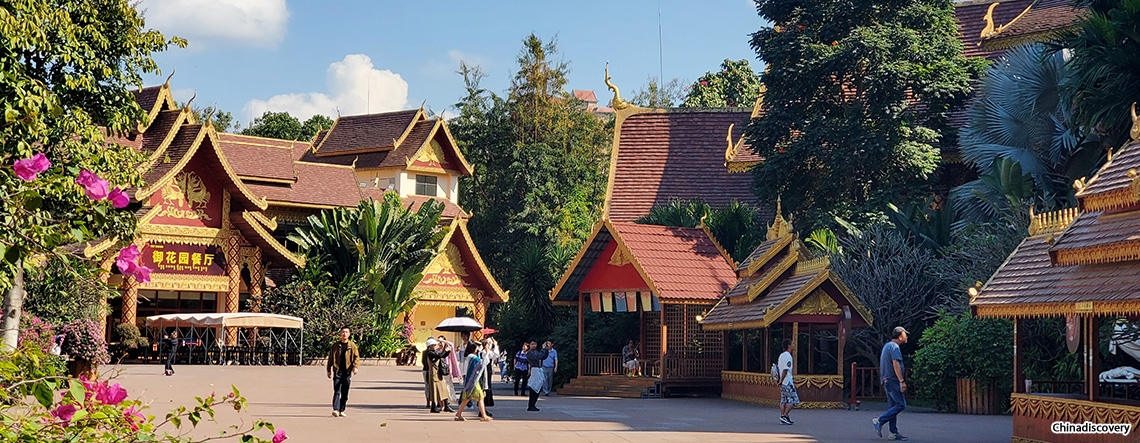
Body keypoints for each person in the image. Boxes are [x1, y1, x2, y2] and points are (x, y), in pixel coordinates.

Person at [874, 326, 909, 441]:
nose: (906, 336)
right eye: (905, 334)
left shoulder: (887, 346)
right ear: (900, 336)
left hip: (886, 380)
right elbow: (896, 364)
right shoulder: (894, 347)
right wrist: (901, 381)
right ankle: (880, 420)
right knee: (901, 404)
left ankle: (893, 433)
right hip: (892, 380)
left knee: (893, 406)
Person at [326, 327, 359, 417]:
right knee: (337, 390)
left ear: (349, 334)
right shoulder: (335, 346)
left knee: (345, 392)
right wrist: (328, 370)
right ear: (340, 334)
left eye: (346, 332)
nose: (344, 334)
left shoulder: (352, 346)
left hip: (347, 372)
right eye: (343, 332)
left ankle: (342, 409)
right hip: (337, 371)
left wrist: (355, 367)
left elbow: (356, 357)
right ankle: (336, 409)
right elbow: (330, 359)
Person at [454, 341, 492, 422]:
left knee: (467, 398)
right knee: (480, 397)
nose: (478, 349)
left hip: (472, 380)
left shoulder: (470, 357)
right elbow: (483, 363)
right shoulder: (472, 357)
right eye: (476, 347)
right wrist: (487, 353)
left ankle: (459, 413)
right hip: (473, 380)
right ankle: (484, 415)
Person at [423, 338, 455, 413]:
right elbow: (439, 356)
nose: (436, 346)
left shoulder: (433, 352)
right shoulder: (430, 353)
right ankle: (433, 406)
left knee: (444, 390)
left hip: (438, 374)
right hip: (434, 374)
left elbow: (442, 355)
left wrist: (448, 351)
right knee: (434, 391)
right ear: (431, 346)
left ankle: (446, 405)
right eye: (434, 345)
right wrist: (445, 351)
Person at [777, 339, 799, 425]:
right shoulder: (788, 356)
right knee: (794, 400)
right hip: (787, 381)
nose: (794, 345)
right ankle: (784, 415)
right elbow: (785, 370)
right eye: (792, 344)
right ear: (789, 346)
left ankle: (783, 416)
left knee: (783, 400)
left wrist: (779, 380)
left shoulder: (781, 355)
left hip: (782, 381)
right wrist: (782, 379)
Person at [524, 339, 549, 411]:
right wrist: (543, 349)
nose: (534, 345)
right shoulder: (529, 353)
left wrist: (546, 350)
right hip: (534, 369)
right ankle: (531, 405)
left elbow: (543, 357)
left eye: (535, 344)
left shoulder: (536, 352)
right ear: (529, 345)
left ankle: (533, 404)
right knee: (534, 387)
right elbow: (539, 357)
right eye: (532, 344)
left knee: (538, 387)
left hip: (538, 369)